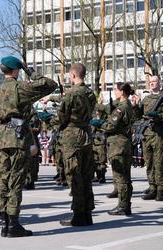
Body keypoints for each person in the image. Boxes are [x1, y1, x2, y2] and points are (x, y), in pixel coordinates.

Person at [0, 56, 57, 237]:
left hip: (2, 137)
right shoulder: (20, 88)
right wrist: (29, 70)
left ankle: (4, 222)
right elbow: (50, 84)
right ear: (15, 70)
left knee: (2, 180)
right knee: (15, 180)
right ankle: (13, 224)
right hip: (18, 137)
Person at [53, 63, 96, 227]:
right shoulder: (90, 92)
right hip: (86, 134)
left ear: (72, 74)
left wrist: (49, 119)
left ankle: (78, 215)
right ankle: (87, 213)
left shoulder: (71, 93)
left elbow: (62, 116)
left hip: (72, 136)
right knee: (86, 176)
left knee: (74, 175)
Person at [91, 82, 134, 215]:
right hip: (124, 143)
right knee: (126, 176)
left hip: (118, 145)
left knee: (120, 177)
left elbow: (111, 126)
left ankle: (122, 206)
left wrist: (100, 123)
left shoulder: (122, 108)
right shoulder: (128, 105)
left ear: (122, 92)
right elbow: (107, 108)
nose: (114, 92)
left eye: (116, 89)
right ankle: (126, 205)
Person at [132, 75, 163, 201]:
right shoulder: (146, 99)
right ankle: (152, 187)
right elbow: (138, 116)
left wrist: (156, 116)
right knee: (148, 163)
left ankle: (160, 190)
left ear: (160, 82)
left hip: (158, 134)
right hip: (146, 135)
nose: (152, 83)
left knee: (159, 162)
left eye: (154, 81)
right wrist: (135, 106)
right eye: (150, 82)